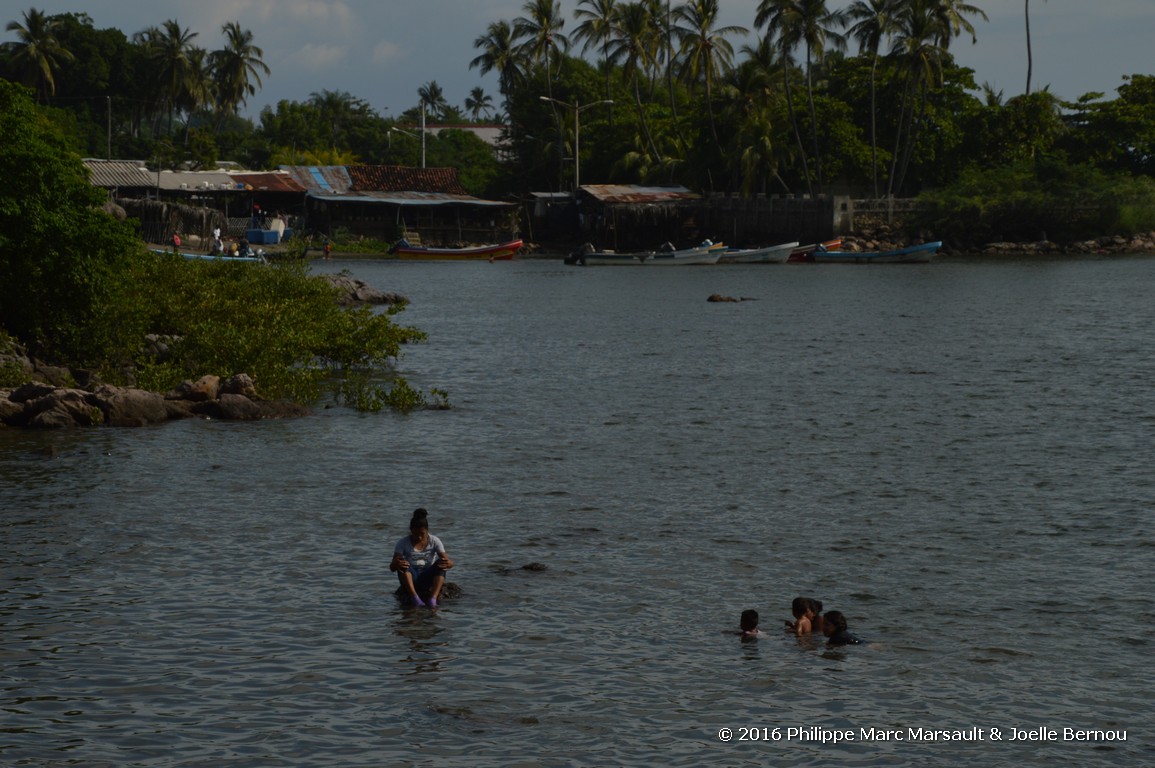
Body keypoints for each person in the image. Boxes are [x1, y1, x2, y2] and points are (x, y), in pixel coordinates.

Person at [390, 508, 453, 607]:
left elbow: (448, 561)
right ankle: (414, 597)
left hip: (427, 576)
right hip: (411, 577)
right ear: (411, 531)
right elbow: (392, 567)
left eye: (422, 534)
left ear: (427, 530)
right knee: (402, 562)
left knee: (442, 563)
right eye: (415, 534)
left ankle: (433, 598)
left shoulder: (434, 541)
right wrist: (397, 564)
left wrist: (449, 564)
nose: (419, 537)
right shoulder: (402, 543)